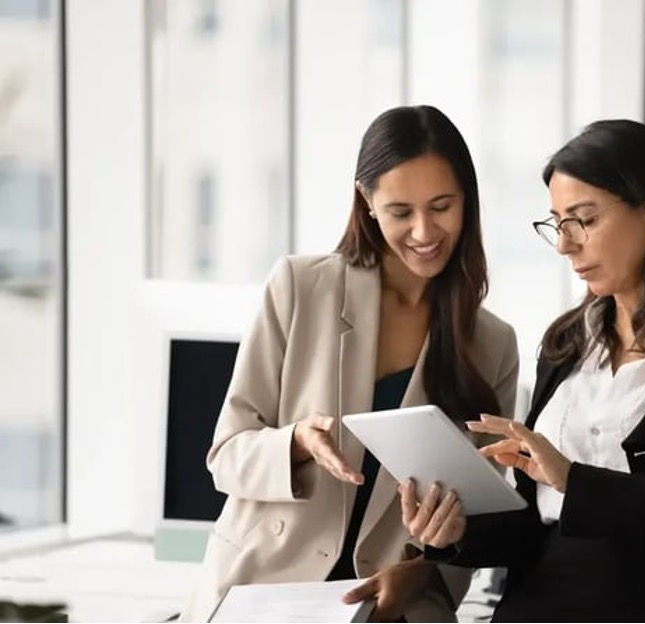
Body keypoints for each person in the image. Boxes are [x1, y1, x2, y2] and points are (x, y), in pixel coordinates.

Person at [401, 119, 645, 622]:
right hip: (546, 601)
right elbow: (532, 525)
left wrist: (574, 481)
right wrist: (456, 533)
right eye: (557, 224)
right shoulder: (566, 342)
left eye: (583, 220)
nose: (565, 245)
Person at [181, 105, 519, 622]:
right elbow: (226, 454)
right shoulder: (300, 287)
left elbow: (477, 518)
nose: (425, 231)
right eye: (401, 212)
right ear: (366, 201)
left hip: (393, 607)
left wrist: (426, 568)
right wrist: (294, 443)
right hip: (265, 588)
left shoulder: (492, 343)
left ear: (467, 201)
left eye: (442, 206)